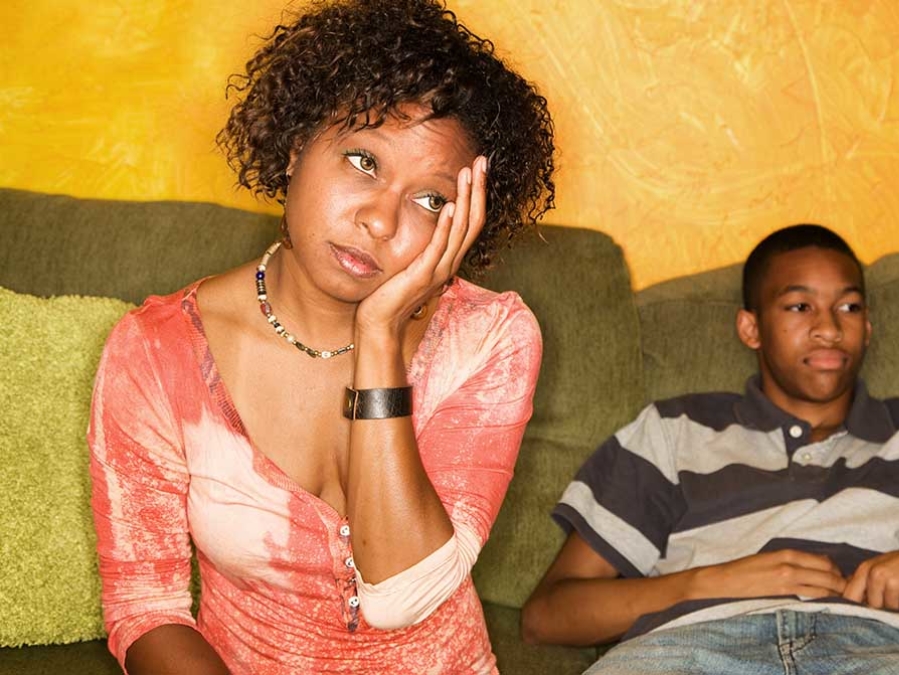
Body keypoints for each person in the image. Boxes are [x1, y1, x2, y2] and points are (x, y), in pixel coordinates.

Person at [88, 1, 555, 673]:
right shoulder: (154, 352)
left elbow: (400, 596)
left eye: (430, 201)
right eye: (363, 160)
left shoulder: (491, 337)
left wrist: (378, 337)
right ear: (294, 146)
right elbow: (146, 608)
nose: (380, 219)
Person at [521, 225, 899, 674]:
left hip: (884, 650)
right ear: (750, 328)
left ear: (868, 327)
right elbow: (547, 615)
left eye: (848, 306)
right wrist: (710, 582)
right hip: (693, 649)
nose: (828, 326)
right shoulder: (672, 430)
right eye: (798, 306)